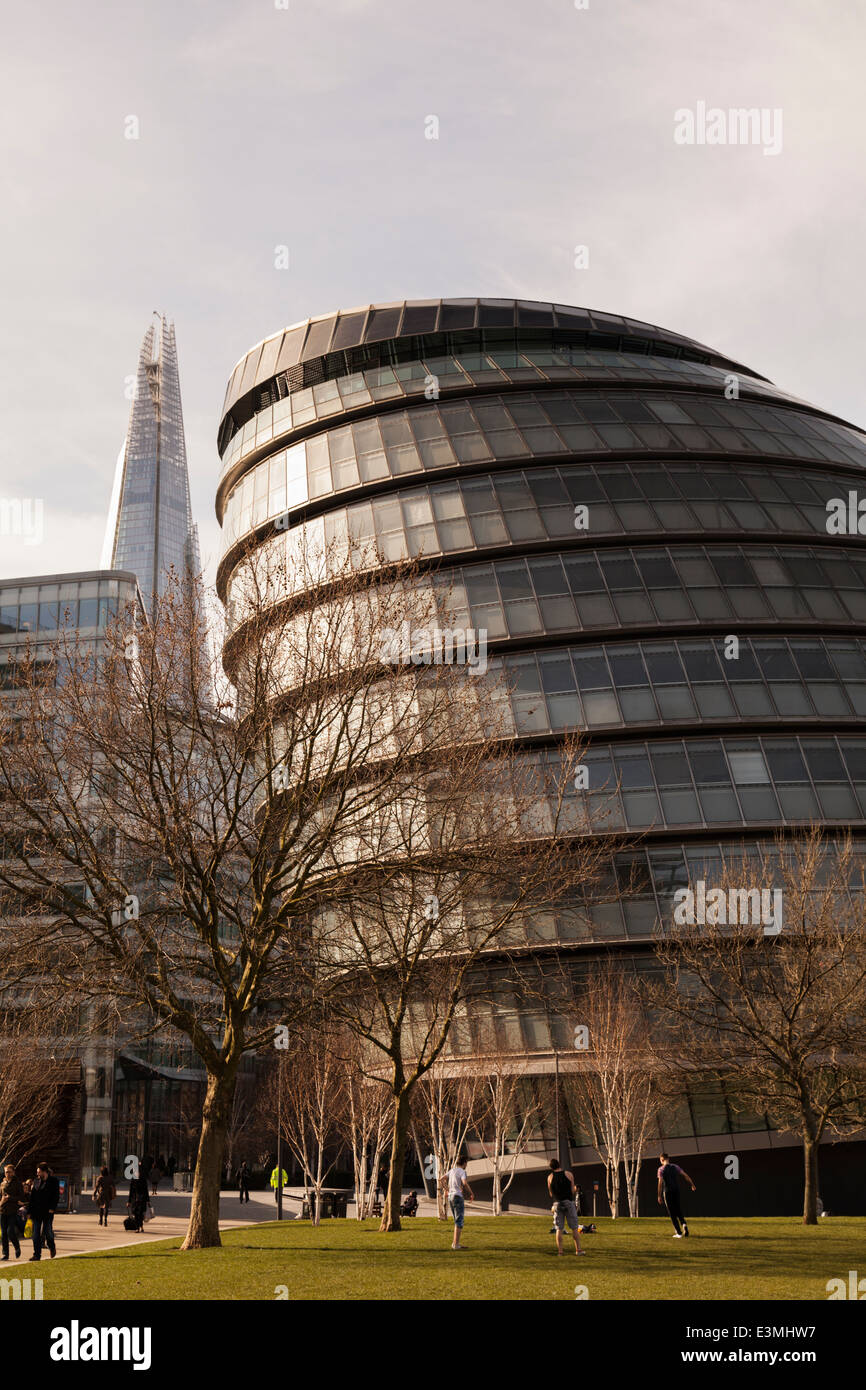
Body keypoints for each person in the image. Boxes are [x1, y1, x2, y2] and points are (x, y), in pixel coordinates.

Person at [547, 1159, 585, 1256]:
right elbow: (572, 1190)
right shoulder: (569, 1174)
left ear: (551, 1167)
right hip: (568, 1202)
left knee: (559, 1228)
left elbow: (551, 1194)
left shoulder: (550, 1177)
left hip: (557, 1203)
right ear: (559, 1164)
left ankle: (560, 1252)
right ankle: (578, 1250)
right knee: (574, 1228)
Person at [657, 1153, 696, 1238]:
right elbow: (685, 1175)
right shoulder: (675, 1167)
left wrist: (659, 1196)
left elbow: (660, 1183)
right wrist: (692, 1184)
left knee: (672, 1212)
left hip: (667, 1192)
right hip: (676, 1190)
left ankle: (678, 1232)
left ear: (662, 1160)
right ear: (668, 1159)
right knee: (678, 1209)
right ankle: (684, 1224)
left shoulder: (661, 1169)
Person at [28, 1163, 59, 1260]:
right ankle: (37, 1255)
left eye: (39, 1172)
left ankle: (52, 1246)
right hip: (36, 1212)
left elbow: (56, 1196)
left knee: (48, 1231)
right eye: (37, 1172)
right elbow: (32, 1198)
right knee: (35, 1234)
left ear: (44, 1172)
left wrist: (52, 1208)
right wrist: (29, 1211)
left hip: (48, 1211)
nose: (37, 1174)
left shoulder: (53, 1181)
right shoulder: (36, 1181)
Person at [446, 1153, 474, 1250]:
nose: (466, 1165)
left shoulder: (452, 1170)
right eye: (466, 1163)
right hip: (457, 1197)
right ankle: (456, 1245)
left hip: (450, 1197)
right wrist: (471, 1193)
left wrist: (447, 1190)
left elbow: (441, 1179)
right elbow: (464, 1183)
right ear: (464, 1163)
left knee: (456, 1221)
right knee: (459, 1221)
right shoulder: (462, 1171)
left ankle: (455, 1244)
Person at [0, 1163, 26, 1262]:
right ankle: (5, 1254)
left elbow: (21, 1197)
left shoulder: (17, 1184)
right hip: (3, 1211)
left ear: (13, 1173)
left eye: (10, 1172)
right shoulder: (2, 1184)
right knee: (4, 1234)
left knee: (10, 1232)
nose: (8, 1174)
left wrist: (10, 1198)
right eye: (6, 1172)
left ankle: (17, 1246)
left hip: (13, 1211)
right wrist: (2, 1201)